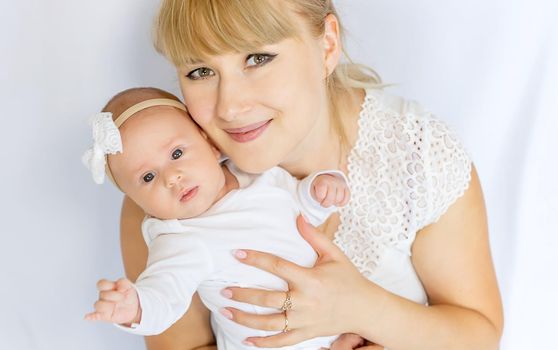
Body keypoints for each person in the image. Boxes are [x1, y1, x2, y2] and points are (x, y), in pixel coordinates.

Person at [120, 1, 504, 349]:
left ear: (328, 46)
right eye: (201, 70)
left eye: (258, 58)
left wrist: (363, 309)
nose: (231, 106)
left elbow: (480, 336)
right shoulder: (169, 192)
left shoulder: (416, 155)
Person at [83, 87, 350, 349]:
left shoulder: (259, 175)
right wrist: (137, 307)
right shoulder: (181, 239)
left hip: (332, 324)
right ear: (140, 204)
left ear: (209, 145)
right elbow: (165, 293)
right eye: (148, 177)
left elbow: (300, 211)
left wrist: (318, 192)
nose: (171, 177)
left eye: (177, 153)